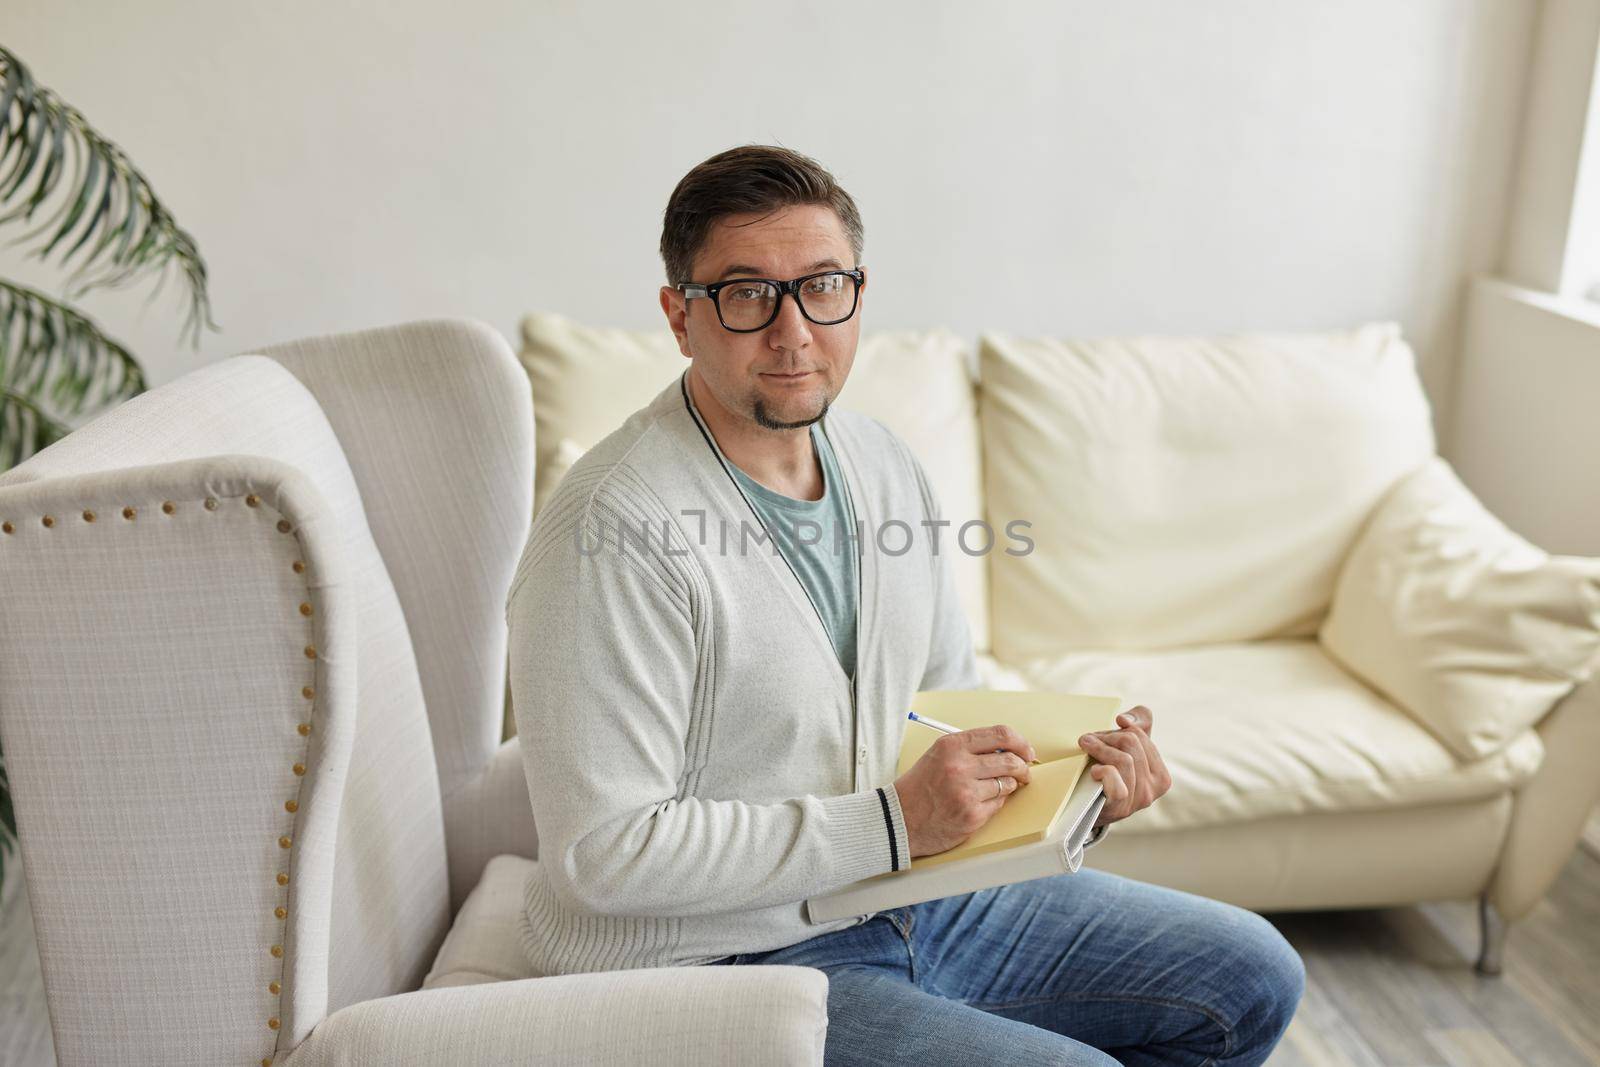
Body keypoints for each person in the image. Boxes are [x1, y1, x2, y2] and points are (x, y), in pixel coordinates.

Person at [505, 144, 1304, 1065]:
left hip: (904, 891)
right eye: (746, 293)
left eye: (821, 286)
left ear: (858, 289)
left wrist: (1072, 787)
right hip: (718, 960)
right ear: (680, 316)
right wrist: (891, 823)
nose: (793, 330)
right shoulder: (611, 531)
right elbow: (605, 852)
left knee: (1251, 976)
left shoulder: (882, 463)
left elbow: (940, 704)